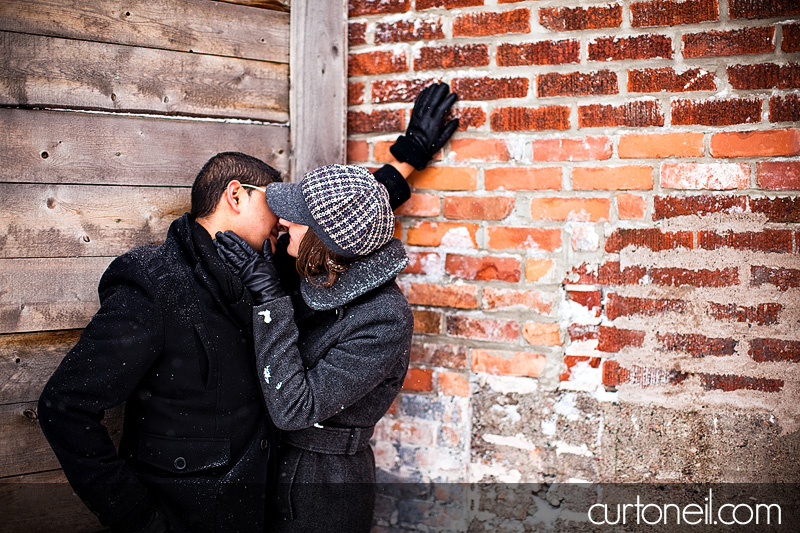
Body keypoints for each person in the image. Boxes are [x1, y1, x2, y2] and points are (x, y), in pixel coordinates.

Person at [37, 81, 458, 532]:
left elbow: (343, 228)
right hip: (190, 513)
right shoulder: (154, 283)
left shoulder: (275, 266)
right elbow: (65, 408)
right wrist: (139, 520)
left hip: (270, 503)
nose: (285, 218)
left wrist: (407, 156)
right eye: (272, 202)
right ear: (235, 196)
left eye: (292, 216)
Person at [215, 164, 410, 533]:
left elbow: (294, 409)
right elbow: (352, 213)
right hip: (272, 461)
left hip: (323, 488)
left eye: (298, 217)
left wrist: (269, 299)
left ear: (325, 241)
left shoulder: (385, 318)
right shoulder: (324, 270)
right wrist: (407, 155)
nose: (283, 220)